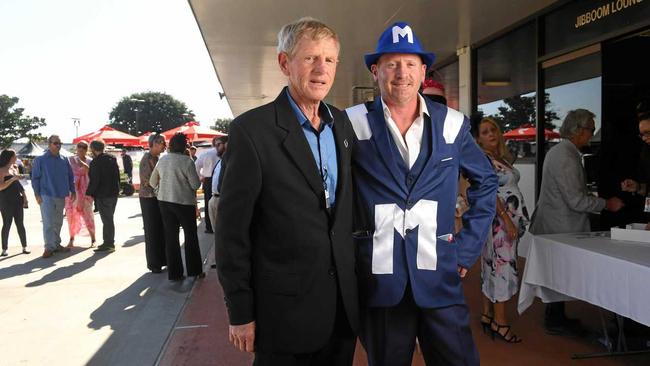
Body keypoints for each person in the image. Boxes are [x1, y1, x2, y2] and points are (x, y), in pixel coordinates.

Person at [345, 22, 497, 365]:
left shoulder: (451, 124)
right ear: (375, 70)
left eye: (411, 64)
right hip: (380, 281)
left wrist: (466, 249)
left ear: (423, 70)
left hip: (440, 274)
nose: (402, 73)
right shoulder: (351, 123)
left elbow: (487, 182)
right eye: (392, 64)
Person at [215, 17, 359, 365]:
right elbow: (232, 233)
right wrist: (240, 311)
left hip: (341, 312)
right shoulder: (251, 132)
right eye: (310, 57)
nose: (321, 68)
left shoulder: (342, 123)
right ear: (284, 62)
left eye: (330, 59)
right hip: (282, 316)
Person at [529, 109, 624, 335]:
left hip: (555, 225)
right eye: (591, 129)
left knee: (556, 273)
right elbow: (576, 201)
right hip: (560, 227)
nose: (592, 134)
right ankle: (555, 319)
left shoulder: (561, 151)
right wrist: (606, 204)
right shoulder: (566, 156)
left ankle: (556, 317)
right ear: (579, 131)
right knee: (559, 273)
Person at [475, 117, 529, 343]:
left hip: (501, 221)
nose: (491, 134)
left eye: (494, 130)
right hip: (499, 222)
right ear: (478, 139)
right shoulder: (483, 159)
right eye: (485, 132)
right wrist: (506, 219)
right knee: (502, 267)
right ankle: (501, 322)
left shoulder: (498, 158)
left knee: (491, 264)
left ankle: (488, 315)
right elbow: (489, 192)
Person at [150, 133, 203, 281]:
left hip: (165, 203)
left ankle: (175, 274)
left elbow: (152, 182)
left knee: (171, 237)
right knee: (190, 236)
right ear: (184, 146)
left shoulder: (163, 160)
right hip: (184, 203)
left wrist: (160, 191)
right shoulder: (187, 161)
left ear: (171, 145)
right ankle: (195, 271)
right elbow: (195, 184)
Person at [31, 135, 76, 258]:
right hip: (46, 195)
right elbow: (35, 178)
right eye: (55, 143)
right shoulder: (40, 160)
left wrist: (73, 190)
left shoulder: (64, 159)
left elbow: (70, 176)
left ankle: (56, 244)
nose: (58, 145)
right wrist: (36, 194)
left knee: (58, 222)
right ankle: (49, 247)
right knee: (48, 223)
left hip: (61, 194)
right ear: (49, 144)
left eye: (59, 143)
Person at [139, 134, 167, 273]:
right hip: (149, 198)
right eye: (162, 143)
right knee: (152, 231)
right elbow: (147, 181)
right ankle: (154, 263)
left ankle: (162, 259)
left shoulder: (156, 158)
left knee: (159, 230)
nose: (164, 145)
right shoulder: (147, 159)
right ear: (155, 144)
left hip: (155, 197)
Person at [86, 140, 120, 253]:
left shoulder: (96, 162)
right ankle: (108, 242)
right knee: (109, 219)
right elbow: (117, 176)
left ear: (93, 149)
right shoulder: (112, 159)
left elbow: (94, 181)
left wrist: (88, 193)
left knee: (107, 220)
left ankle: (109, 243)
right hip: (113, 194)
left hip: (103, 195)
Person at [621, 98, 650, 229]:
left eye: (647, 133)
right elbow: (647, 189)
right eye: (641, 134)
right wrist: (638, 188)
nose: (644, 138)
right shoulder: (646, 153)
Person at [64, 141, 96, 248]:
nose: (81, 149)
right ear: (76, 148)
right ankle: (71, 239)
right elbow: (68, 176)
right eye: (79, 147)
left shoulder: (90, 161)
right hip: (73, 193)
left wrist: (83, 165)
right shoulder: (70, 160)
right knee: (71, 216)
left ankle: (93, 239)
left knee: (88, 216)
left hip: (86, 193)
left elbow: (91, 173)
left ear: (87, 149)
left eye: (84, 147)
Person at [0, 149, 30, 256]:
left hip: (18, 199)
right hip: (5, 201)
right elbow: (1, 186)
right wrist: (13, 179)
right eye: (14, 156)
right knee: (7, 224)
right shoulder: (1, 170)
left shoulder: (14, 168)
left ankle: (24, 246)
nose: (16, 158)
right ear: (9, 157)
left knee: (20, 224)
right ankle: (4, 248)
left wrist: (25, 197)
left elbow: (18, 184)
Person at [195, 137, 222, 233]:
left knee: (208, 203)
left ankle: (209, 226)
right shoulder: (225, 153)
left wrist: (200, 177)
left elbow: (196, 165)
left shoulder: (206, 153)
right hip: (219, 179)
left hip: (208, 179)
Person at [207, 136, 227, 231]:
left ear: (227, 144)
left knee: (223, 232)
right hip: (214, 198)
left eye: (218, 145)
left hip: (222, 199)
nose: (216, 148)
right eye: (215, 146)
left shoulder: (231, 161)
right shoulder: (220, 161)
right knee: (216, 233)